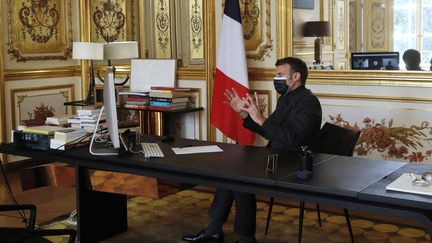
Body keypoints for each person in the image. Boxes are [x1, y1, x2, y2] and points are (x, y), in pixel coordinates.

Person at [182, 57, 322, 243]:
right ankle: (216, 228)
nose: (276, 79)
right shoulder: (286, 98)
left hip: (295, 163)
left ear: (295, 77)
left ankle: (243, 237)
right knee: (230, 170)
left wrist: (262, 119)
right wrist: (245, 115)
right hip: (276, 156)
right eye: (275, 75)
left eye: (280, 75)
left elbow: (293, 138)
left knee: (240, 176)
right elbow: (270, 131)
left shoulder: (309, 103)